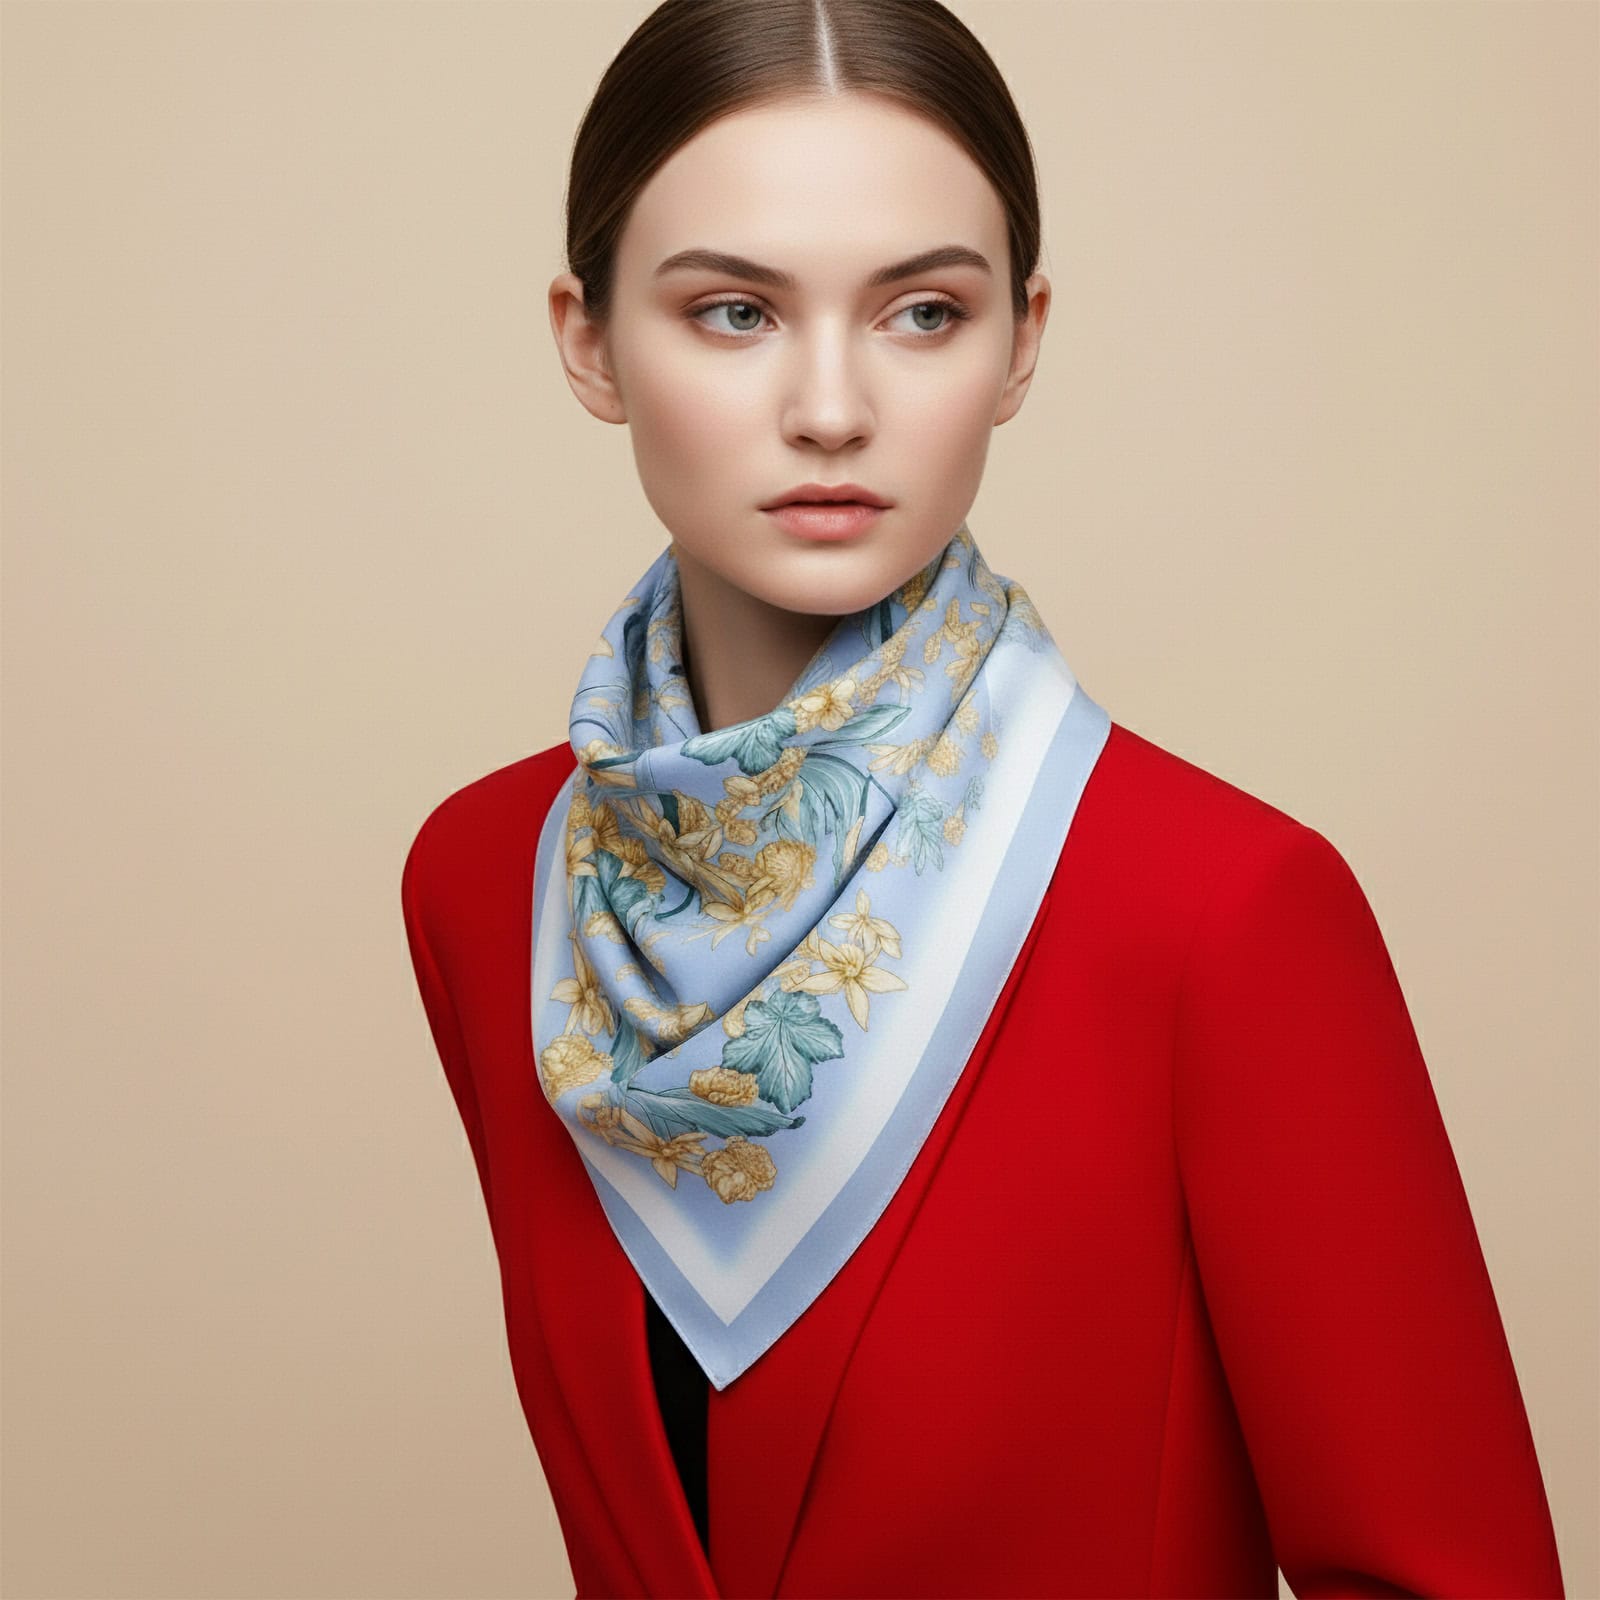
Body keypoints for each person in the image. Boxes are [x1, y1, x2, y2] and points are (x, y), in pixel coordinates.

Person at [400, 2, 1566, 1595]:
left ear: (1020, 342)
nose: (829, 405)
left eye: (920, 315)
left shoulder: (1220, 912)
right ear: (590, 340)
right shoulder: (488, 880)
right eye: (735, 313)